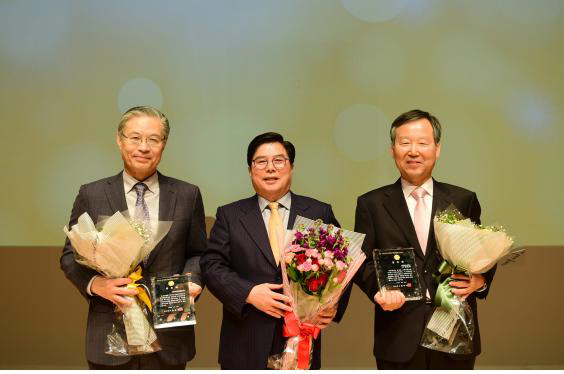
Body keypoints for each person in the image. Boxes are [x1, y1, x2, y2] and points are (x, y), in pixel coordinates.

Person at [60, 106, 207, 369]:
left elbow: (198, 253)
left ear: (164, 144)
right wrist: (96, 284)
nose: (144, 147)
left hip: (169, 335)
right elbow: (70, 256)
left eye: (153, 139)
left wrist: (192, 281)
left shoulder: (187, 195)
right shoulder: (91, 194)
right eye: (135, 137)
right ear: (119, 140)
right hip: (109, 336)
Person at [354, 109, 496, 369]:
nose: (413, 151)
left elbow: (482, 254)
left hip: (455, 333)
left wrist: (480, 281)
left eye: (422, 143)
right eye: (405, 143)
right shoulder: (371, 204)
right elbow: (361, 263)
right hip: (398, 336)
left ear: (437, 149)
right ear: (392, 150)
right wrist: (378, 291)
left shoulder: (463, 199)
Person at [200, 132, 345, 369]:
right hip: (245, 341)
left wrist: (332, 307)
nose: (270, 169)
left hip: (301, 342)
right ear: (250, 170)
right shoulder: (230, 215)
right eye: (261, 162)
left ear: (291, 167)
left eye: (279, 161)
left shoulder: (318, 213)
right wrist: (248, 293)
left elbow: (342, 264)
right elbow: (211, 266)